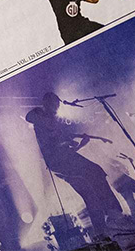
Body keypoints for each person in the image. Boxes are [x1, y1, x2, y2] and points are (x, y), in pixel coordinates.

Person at [26, 93, 120, 237]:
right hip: (60, 162)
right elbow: (53, 144)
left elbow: (61, 141)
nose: (57, 107)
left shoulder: (50, 122)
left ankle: (106, 225)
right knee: (93, 178)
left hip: (63, 160)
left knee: (92, 188)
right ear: (47, 103)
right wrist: (78, 145)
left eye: (57, 104)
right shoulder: (40, 119)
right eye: (54, 104)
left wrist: (74, 141)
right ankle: (112, 216)